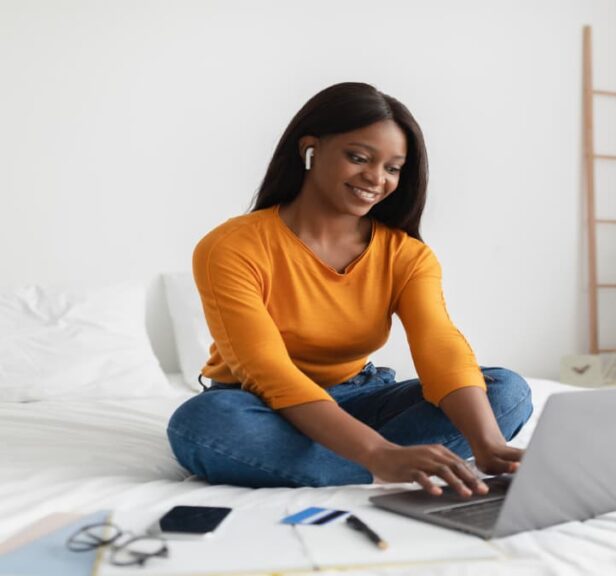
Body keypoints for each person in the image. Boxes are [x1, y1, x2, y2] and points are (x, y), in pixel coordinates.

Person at [166, 82, 533, 496]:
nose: (376, 179)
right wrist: (377, 452)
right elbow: (268, 372)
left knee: (506, 392)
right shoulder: (232, 246)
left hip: (360, 398)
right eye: (358, 157)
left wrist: (487, 443)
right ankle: (381, 463)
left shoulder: (406, 255)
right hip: (259, 405)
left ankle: (341, 462)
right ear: (311, 148)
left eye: (393, 168)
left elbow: (439, 345)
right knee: (203, 422)